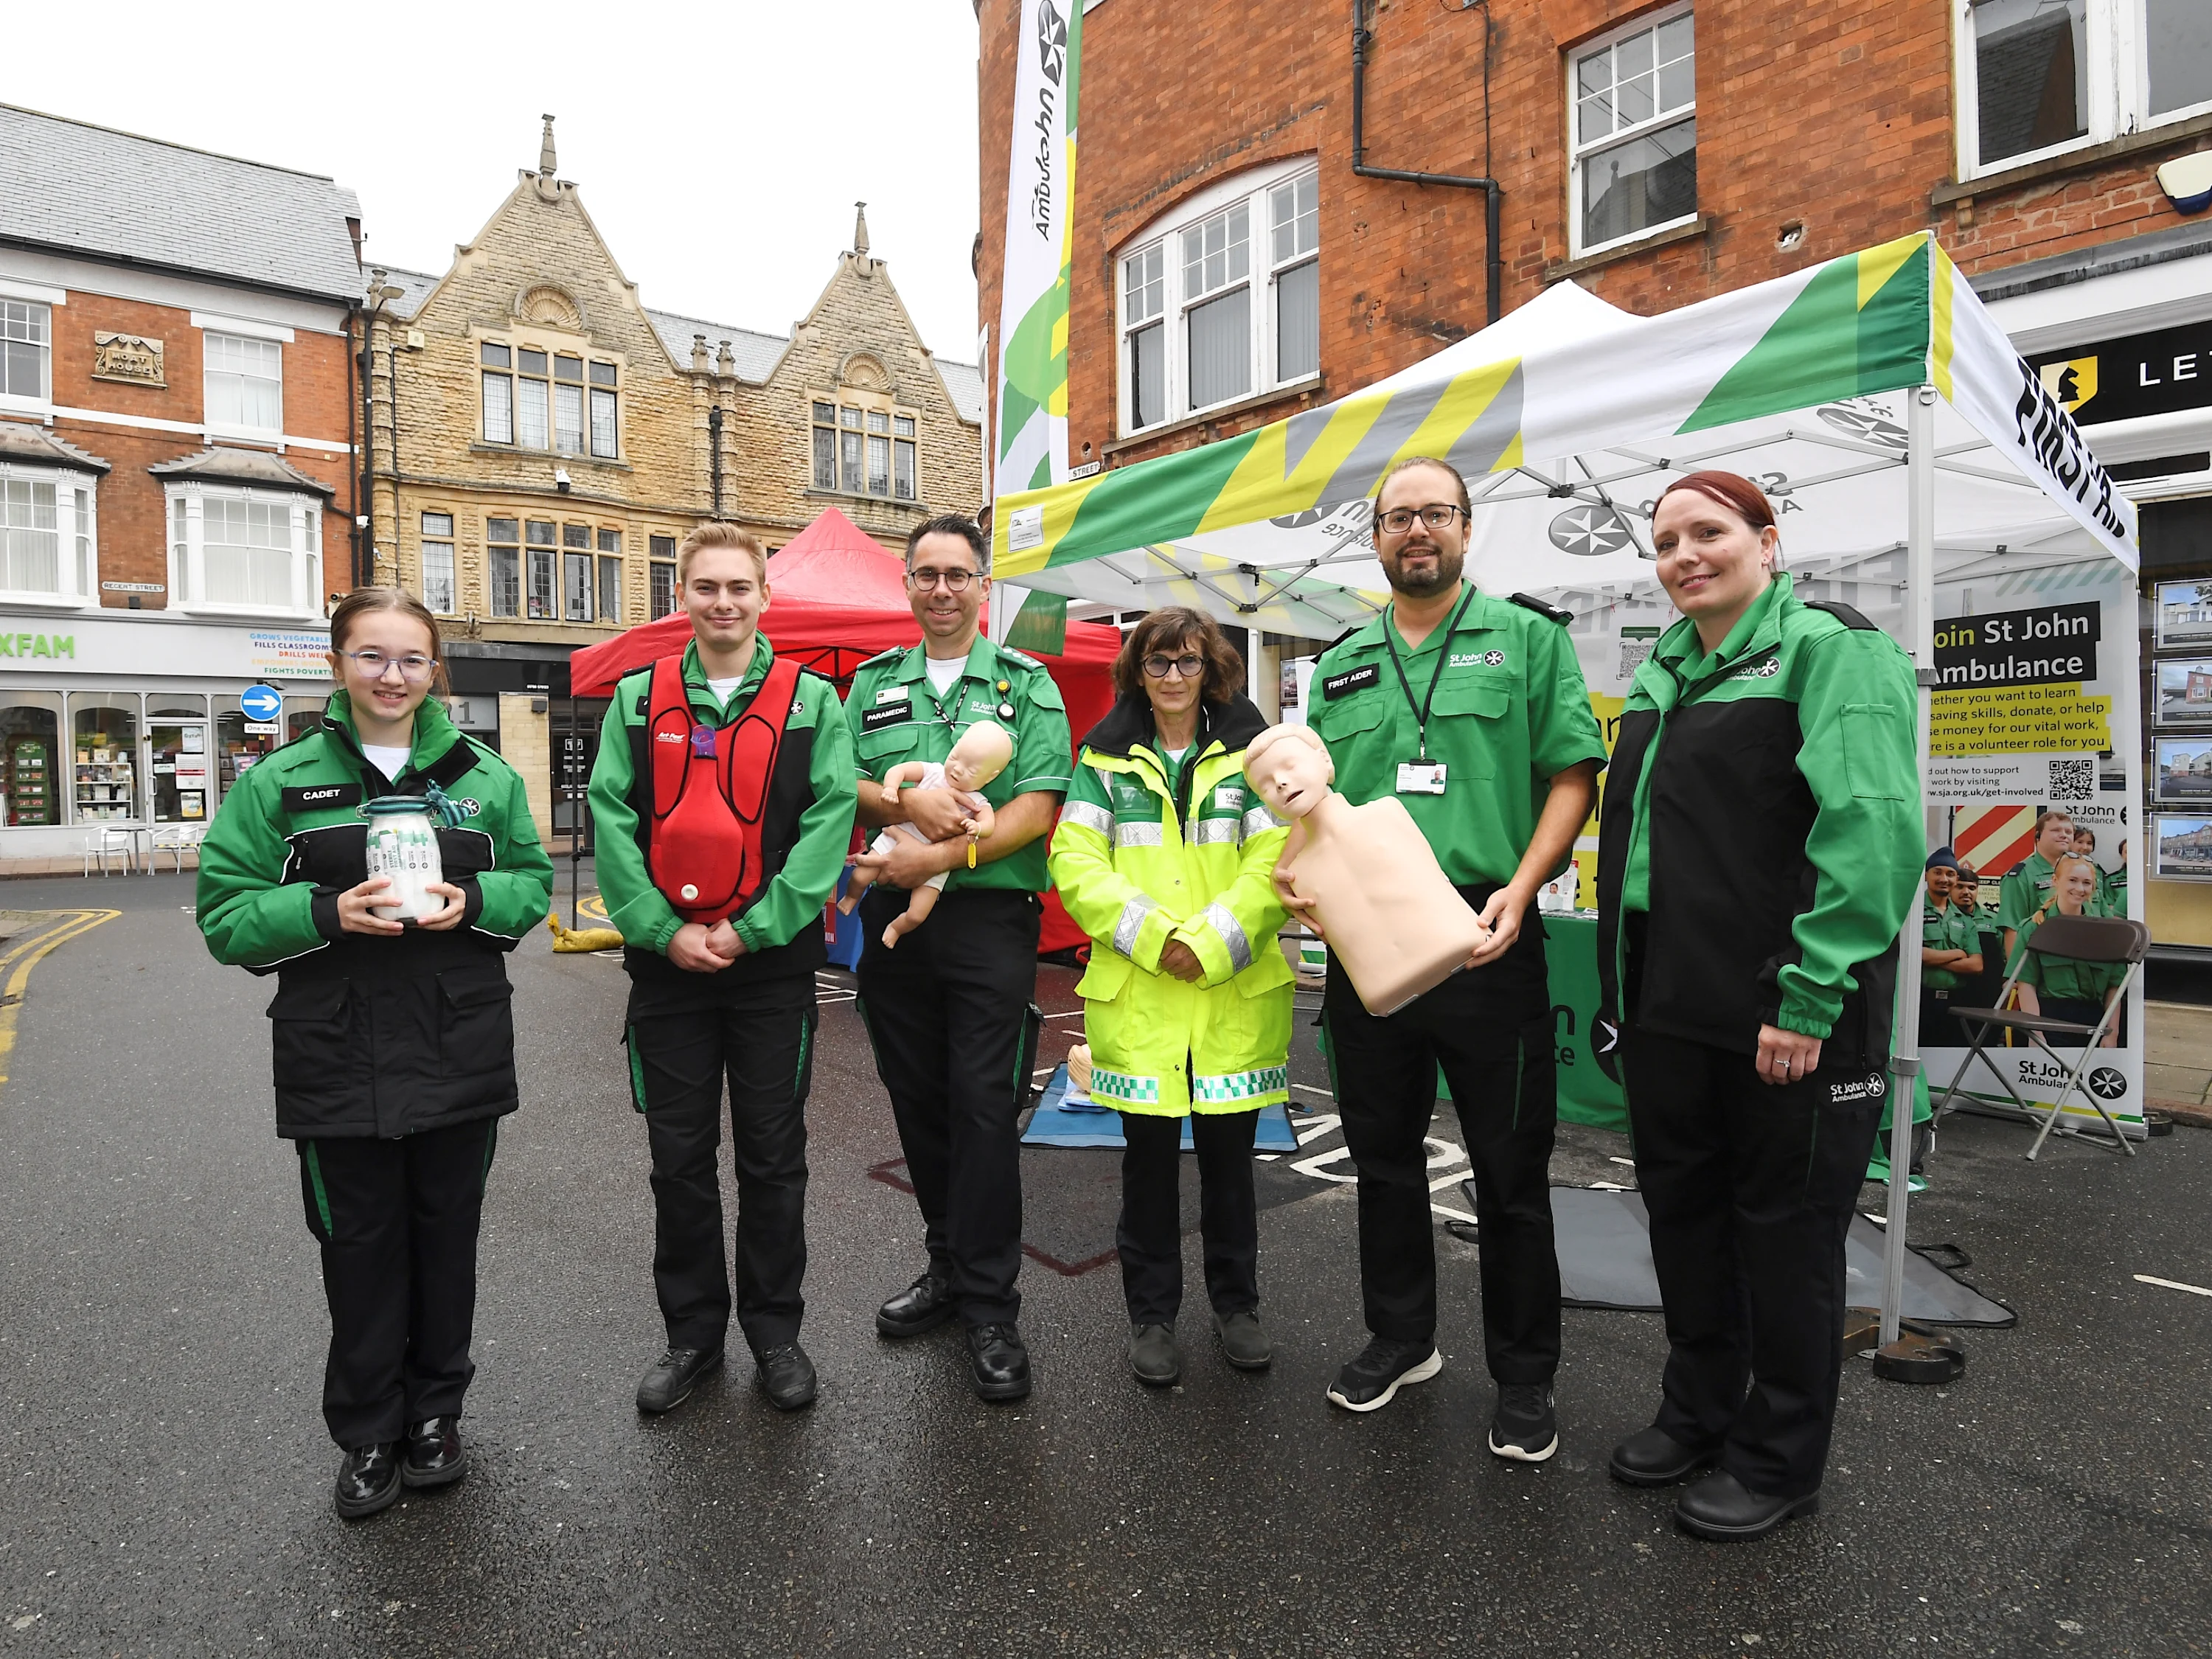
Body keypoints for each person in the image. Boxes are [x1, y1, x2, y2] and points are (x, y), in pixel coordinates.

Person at [1593, 471, 1921, 1543]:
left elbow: (1872, 833)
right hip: (1669, 1004)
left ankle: (1781, 1458)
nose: (1685, 554)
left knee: (1785, 1237)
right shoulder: (1664, 673)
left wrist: (1810, 993)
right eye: (1667, 540)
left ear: (1767, 543)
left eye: (1709, 532)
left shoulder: (1834, 650)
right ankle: (1698, 1411)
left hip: (1787, 1009)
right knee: (1685, 1223)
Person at [197, 588, 552, 1519]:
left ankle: (436, 1413)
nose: (391, 676)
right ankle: (366, 1432)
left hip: (457, 1043)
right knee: (357, 1247)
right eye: (371, 657)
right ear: (336, 665)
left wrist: (473, 903)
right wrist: (325, 912)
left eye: (409, 659)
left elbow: (531, 883)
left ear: (435, 669)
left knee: (446, 1240)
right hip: (335, 1051)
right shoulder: (277, 785)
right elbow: (225, 916)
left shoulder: (485, 775)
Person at [1300, 456, 1605, 1453]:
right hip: (1369, 941)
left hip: (1485, 930)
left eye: (1434, 513)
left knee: (1509, 1169)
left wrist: (1523, 887)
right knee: (1382, 1158)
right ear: (1376, 536)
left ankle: (1524, 1374)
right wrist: (1297, 879)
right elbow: (1314, 811)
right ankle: (1402, 1337)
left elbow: (1571, 776)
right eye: (1397, 517)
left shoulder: (1528, 640)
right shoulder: (1341, 663)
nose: (1415, 530)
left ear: (1467, 529)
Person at [587, 523, 856, 1417]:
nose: (724, 602)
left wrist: (754, 929)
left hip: (770, 970)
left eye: (739, 587)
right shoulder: (637, 699)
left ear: (763, 597)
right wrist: (664, 931)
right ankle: (693, 1336)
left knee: (775, 1160)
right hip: (668, 973)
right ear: (684, 595)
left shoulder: (814, 702)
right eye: (706, 587)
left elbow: (828, 822)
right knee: (679, 1161)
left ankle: (776, 1334)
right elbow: (612, 818)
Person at [844, 515, 1071, 1402]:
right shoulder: (868, 684)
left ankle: (991, 1303)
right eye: (927, 574)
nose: (942, 588)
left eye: (959, 574)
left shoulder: (1025, 683)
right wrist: (892, 802)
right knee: (918, 1100)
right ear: (906, 584)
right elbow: (842, 783)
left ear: (984, 586)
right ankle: (945, 1265)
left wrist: (942, 854)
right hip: (897, 916)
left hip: (988, 920)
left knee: (982, 1105)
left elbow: (1040, 803)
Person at [1048, 606, 1290, 1386]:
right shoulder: (1103, 760)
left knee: (1230, 1168)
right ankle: (1151, 1317)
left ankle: (1238, 1307)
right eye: (1159, 664)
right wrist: (1161, 940)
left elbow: (1281, 856)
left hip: (1230, 999)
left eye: (1189, 662)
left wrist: (1213, 941)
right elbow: (1077, 862)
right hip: (1146, 996)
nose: (1176, 678)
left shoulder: (1258, 755)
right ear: (1137, 674)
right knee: (1147, 1171)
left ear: (1212, 667)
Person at [2016, 853, 2124, 1046]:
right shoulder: (2035, 928)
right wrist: (2036, 1033)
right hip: (2048, 1019)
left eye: (2087, 883)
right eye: (2072, 880)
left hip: (2094, 1019)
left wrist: (2111, 1033)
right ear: (2055, 881)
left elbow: (2114, 986)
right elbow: (2026, 985)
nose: (2080, 889)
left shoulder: (2105, 932)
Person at [1998, 810, 2076, 973]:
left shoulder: (2080, 873)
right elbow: (2012, 929)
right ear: (2038, 837)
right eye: (2056, 830)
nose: (2064, 835)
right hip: (2039, 967)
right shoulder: (2020, 875)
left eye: (2068, 832)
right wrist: (2016, 976)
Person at [1919, 849, 1981, 1047]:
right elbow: (1914, 955)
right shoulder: (1913, 912)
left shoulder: (1964, 920)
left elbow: (1976, 965)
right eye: (1937, 872)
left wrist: (1934, 959)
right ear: (1927, 875)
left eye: (1950, 874)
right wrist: (1956, 953)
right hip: (1920, 1000)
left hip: (1955, 1003)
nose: (1944, 878)